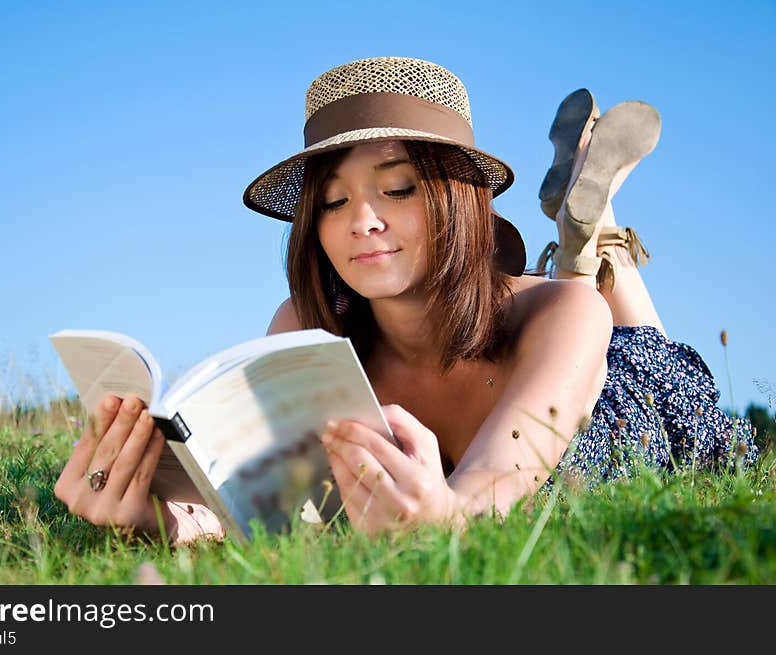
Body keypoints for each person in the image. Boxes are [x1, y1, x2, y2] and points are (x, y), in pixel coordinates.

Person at [54, 56, 757, 544]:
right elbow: (280, 510)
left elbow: (481, 492)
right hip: (542, 342)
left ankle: (595, 243)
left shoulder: (564, 315)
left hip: (620, 395)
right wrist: (160, 517)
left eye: (396, 188)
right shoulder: (305, 330)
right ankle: (583, 234)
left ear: (455, 195)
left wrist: (445, 515)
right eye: (333, 200)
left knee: (649, 349)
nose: (362, 220)